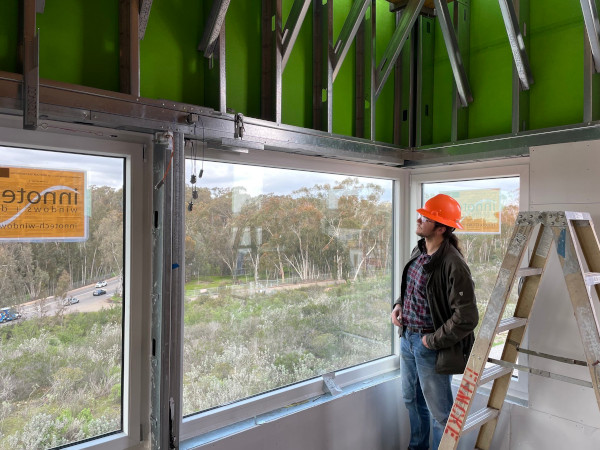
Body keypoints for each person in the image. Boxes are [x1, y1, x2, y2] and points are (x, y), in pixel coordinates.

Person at [391, 193, 479, 450]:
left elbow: (467, 317)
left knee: (441, 414)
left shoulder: (454, 264)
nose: (419, 219)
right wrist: (398, 305)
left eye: (426, 217)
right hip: (408, 339)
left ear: (441, 228)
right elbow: (413, 288)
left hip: (430, 345)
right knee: (411, 400)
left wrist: (431, 340)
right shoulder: (419, 251)